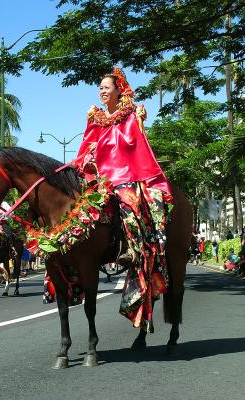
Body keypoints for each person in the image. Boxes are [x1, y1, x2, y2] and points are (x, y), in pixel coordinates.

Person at [74, 66, 173, 328]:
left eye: (106, 87)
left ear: (119, 89)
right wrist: (89, 153)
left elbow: (135, 146)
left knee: (131, 205)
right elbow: (83, 150)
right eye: (100, 88)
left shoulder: (130, 114)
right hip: (100, 179)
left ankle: (133, 248)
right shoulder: (94, 118)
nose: (102, 91)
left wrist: (107, 143)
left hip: (126, 176)